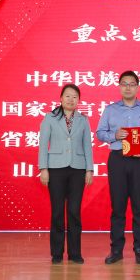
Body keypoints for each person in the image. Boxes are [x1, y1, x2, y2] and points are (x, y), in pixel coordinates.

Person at [96, 70, 140, 265]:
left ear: (137, 87)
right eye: (124, 84)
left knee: (139, 207)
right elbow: (100, 133)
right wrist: (114, 136)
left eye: (132, 84)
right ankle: (116, 249)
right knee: (118, 207)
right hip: (117, 159)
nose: (128, 87)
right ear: (119, 87)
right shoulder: (110, 110)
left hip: (139, 160)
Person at [38, 84, 94, 264]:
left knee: (74, 211)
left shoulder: (83, 120)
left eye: (75, 97)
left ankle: (75, 253)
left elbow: (87, 146)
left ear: (79, 100)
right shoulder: (50, 118)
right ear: (61, 98)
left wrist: (89, 169)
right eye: (68, 96)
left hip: (78, 169)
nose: (71, 100)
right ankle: (57, 253)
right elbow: (43, 145)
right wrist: (43, 168)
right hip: (55, 169)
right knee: (57, 211)